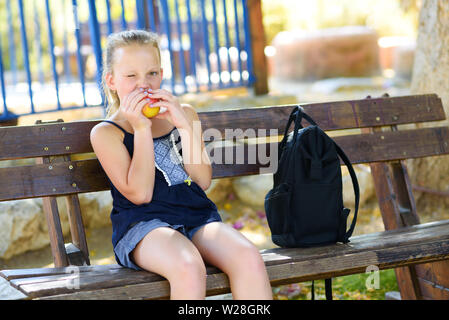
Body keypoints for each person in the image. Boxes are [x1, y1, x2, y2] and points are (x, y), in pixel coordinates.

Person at [90, 29, 272, 300]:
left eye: (152, 73)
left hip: (196, 217)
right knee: (188, 265)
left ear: (161, 75)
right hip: (143, 227)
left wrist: (184, 125)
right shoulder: (107, 133)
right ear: (112, 80)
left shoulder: (184, 114)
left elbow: (201, 181)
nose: (144, 84)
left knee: (247, 256)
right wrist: (141, 129)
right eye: (131, 76)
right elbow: (141, 194)